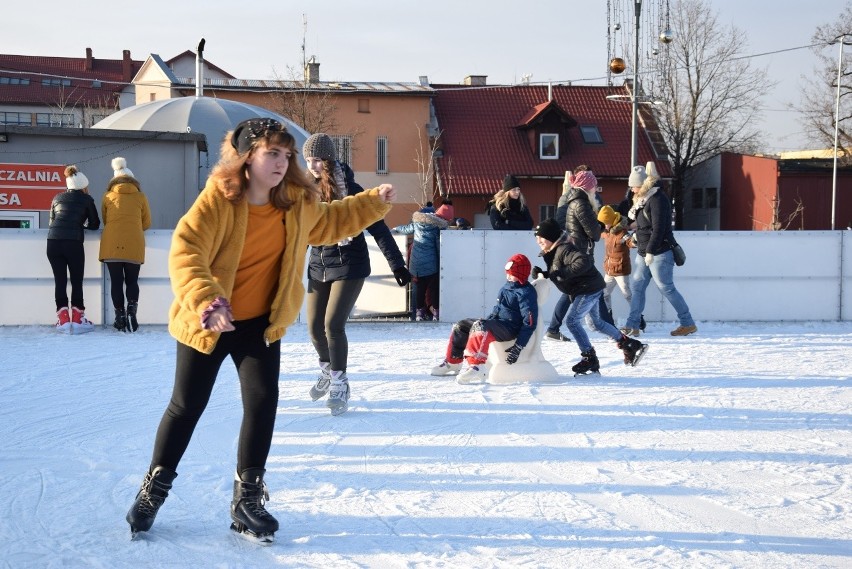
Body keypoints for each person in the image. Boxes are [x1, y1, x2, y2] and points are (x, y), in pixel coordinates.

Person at [125, 118, 398, 543]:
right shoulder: (218, 199)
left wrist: (371, 202)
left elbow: (329, 222)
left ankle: (247, 498)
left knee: (262, 403)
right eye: (272, 153)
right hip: (210, 321)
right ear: (246, 158)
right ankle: (153, 490)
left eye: (286, 154)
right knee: (186, 406)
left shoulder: (295, 201)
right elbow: (186, 251)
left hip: (261, 325)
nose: (281, 162)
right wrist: (207, 301)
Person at [302, 133, 411, 416]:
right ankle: (327, 369)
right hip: (319, 263)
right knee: (314, 327)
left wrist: (397, 265)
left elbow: (379, 228)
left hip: (350, 263)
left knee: (333, 325)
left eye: (317, 160)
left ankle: (339, 381)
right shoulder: (303, 191)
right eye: (308, 160)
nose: (312, 165)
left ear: (328, 160)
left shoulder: (350, 188)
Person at [531, 219, 646, 375]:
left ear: (551, 237)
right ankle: (628, 343)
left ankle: (589, 357)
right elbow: (559, 270)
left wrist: (560, 274)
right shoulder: (554, 251)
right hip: (589, 288)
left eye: (541, 237)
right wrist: (546, 274)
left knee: (572, 321)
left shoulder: (564, 249)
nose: (538, 241)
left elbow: (582, 262)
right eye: (536, 238)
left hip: (587, 289)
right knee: (596, 324)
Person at [430, 253, 538, 384]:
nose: (508, 276)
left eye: (512, 274)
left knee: (481, 326)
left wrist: (518, 347)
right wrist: (488, 320)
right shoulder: (506, 287)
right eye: (507, 273)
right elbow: (498, 309)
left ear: (521, 275)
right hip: (499, 323)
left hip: (511, 328)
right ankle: (453, 361)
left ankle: (477, 366)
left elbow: (530, 322)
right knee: (462, 325)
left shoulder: (526, 293)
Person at [621, 163, 698, 337]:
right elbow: (643, 227)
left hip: (659, 253)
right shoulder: (642, 200)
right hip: (644, 253)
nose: (632, 190)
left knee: (666, 288)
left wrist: (649, 251)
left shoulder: (657, 199)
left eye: (634, 186)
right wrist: (636, 240)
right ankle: (632, 325)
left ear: (643, 185)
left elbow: (659, 228)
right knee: (637, 287)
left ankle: (688, 323)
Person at [99, 157, 151, 333]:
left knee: (116, 282)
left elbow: (105, 220)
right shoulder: (141, 196)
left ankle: (119, 317)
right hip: (134, 243)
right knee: (132, 281)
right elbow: (147, 223)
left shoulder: (107, 196)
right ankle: (131, 311)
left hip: (112, 243)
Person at [47, 165, 100, 333]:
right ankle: (77, 319)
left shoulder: (57, 197)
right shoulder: (87, 200)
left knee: (60, 280)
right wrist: (80, 225)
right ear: (83, 185)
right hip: (73, 242)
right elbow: (95, 224)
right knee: (76, 280)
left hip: (53, 241)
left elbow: (52, 221)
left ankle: (63, 320)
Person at [393, 201, 452, 321]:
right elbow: (439, 246)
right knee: (433, 289)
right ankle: (436, 313)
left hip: (416, 265)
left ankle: (419, 314)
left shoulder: (416, 224)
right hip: (432, 264)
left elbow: (405, 229)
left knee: (419, 289)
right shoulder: (437, 227)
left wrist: (396, 228)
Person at [597, 205, 636, 325]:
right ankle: (609, 318)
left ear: (612, 221)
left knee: (627, 294)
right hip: (609, 270)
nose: (604, 226)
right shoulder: (606, 232)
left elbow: (630, 243)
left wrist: (635, 240)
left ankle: (638, 318)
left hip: (620, 270)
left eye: (606, 223)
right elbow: (596, 234)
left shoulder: (622, 232)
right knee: (604, 294)